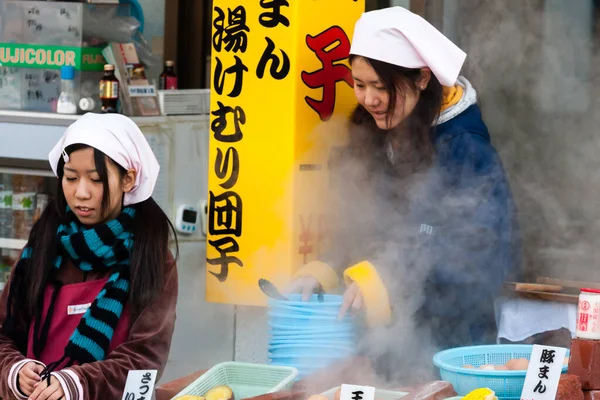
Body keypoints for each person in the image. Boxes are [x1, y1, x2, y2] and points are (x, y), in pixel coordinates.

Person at [287, 7, 521, 381]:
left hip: (449, 351)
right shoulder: (374, 136)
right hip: (381, 350)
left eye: (381, 86)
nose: (369, 99)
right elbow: (368, 228)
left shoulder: (466, 149)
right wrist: (327, 268)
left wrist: (391, 280)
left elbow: (489, 256)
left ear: (422, 79)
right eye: (359, 85)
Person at [0, 113, 179, 400]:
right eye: (70, 178)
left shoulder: (152, 258)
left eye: (95, 180)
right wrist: (15, 372)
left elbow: (145, 359)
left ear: (128, 179)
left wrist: (76, 384)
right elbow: (3, 333)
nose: (80, 193)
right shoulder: (44, 244)